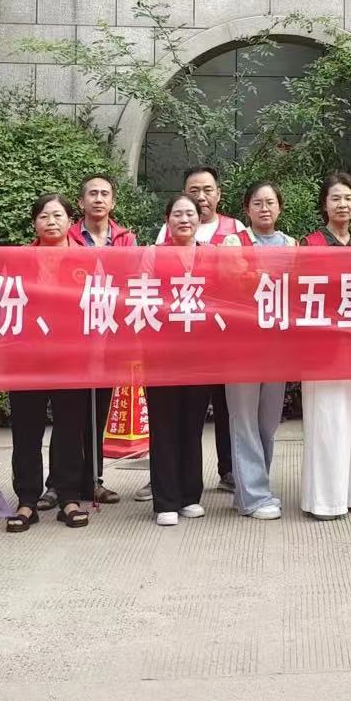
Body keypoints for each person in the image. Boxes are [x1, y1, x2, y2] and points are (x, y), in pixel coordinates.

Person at [44, 174, 136, 510]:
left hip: (108, 333)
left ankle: (92, 481)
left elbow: (132, 281)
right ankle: (56, 484)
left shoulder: (126, 239)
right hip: (69, 335)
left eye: (104, 194)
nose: (98, 199)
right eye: (92, 194)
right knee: (67, 413)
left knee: (98, 409)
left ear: (113, 202)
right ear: (81, 202)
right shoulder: (65, 236)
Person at [7, 195, 91, 531]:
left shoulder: (88, 259)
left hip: (72, 356)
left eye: (58, 215)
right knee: (26, 430)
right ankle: (27, 500)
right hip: (27, 357)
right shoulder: (19, 259)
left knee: (70, 429)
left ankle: (68, 496)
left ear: (71, 221)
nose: (51, 222)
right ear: (34, 223)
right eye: (44, 216)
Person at [299, 173, 351, 519]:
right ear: (324, 204)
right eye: (335, 198)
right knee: (328, 420)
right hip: (323, 345)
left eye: (348, 198)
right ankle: (325, 500)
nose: (342, 204)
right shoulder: (310, 244)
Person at [178, 166, 247, 498]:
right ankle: (181, 473)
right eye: (194, 190)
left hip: (228, 335)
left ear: (219, 194)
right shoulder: (172, 228)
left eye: (207, 190)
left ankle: (229, 469)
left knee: (228, 405)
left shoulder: (236, 229)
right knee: (188, 409)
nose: (201, 197)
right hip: (188, 338)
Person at [145, 195, 214, 527]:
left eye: (190, 214)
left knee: (192, 425)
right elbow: (140, 297)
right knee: (164, 425)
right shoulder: (153, 254)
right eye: (177, 214)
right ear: (167, 220)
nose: (184, 219)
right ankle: (165, 500)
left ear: (200, 219)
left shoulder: (211, 255)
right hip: (161, 354)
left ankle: (190, 495)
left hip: (201, 354)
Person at [226, 181, 293, 520]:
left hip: (278, 344)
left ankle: (252, 490)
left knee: (268, 420)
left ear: (280, 207)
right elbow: (232, 282)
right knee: (244, 420)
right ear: (247, 209)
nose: (264, 208)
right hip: (242, 344)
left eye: (270, 202)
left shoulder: (292, 244)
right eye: (257, 203)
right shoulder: (233, 242)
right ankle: (254, 496)